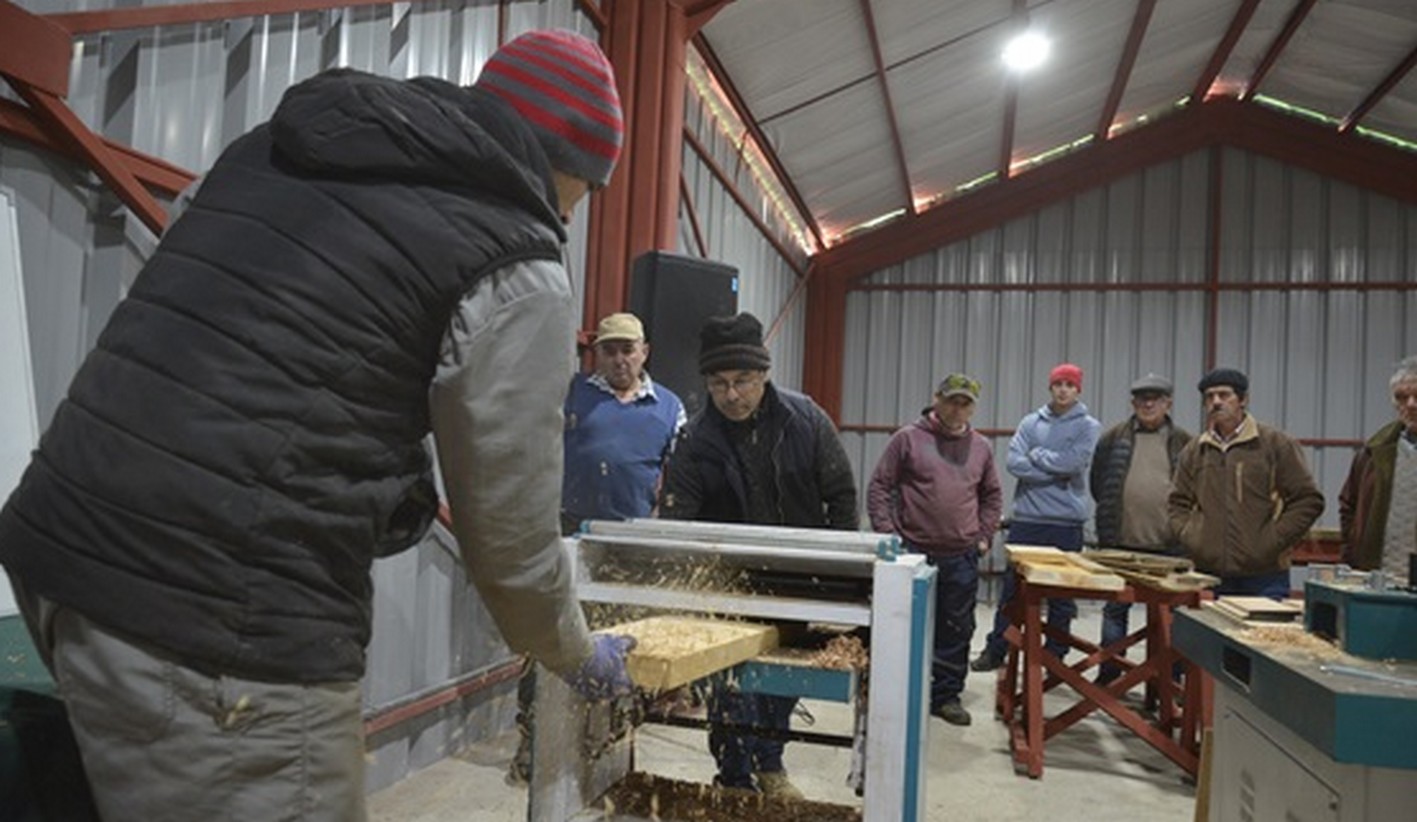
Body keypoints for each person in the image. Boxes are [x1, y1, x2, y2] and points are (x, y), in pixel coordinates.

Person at [0, 29, 637, 821]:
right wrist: (576, 651)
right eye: (587, 191)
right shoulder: (517, 251)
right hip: (219, 619)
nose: (574, 214)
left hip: (57, 545)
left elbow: (247, 338)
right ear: (568, 166)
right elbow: (509, 543)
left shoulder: (271, 149)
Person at [659, 312, 858, 798]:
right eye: (719, 383)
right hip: (726, 585)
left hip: (799, 581)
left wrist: (841, 580)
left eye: (742, 381)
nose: (731, 395)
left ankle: (771, 765)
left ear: (764, 374)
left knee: (781, 681)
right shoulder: (694, 439)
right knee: (729, 687)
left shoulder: (806, 420)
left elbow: (841, 495)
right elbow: (677, 520)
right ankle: (734, 780)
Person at [510, 310, 685, 783]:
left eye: (628, 349)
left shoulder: (669, 407)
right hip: (568, 537)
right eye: (609, 349)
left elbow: (681, 477)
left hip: (632, 543)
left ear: (644, 352)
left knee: (624, 640)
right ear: (597, 355)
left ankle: (610, 740)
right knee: (553, 637)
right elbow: (531, 448)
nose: (620, 358)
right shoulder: (570, 394)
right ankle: (532, 739)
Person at [868, 373, 1002, 726]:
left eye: (966, 403)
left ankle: (945, 695)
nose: (958, 409)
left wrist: (984, 535)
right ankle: (901, 693)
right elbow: (880, 487)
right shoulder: (908, 439)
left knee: (955, 628)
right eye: (952, 400)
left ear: (974, 407)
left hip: (960, 555)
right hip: (912, 553)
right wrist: (890, 537)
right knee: (902, 626)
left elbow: (992, 496)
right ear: (937, 399)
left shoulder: (982, 448)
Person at [973, 363, 1101, 672]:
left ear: (1078, 390)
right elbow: (1015, 463)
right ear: (1050, 387)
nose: (1063, 389)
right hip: (1028, 520)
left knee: (1061, 596)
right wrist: (1053, 470)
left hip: (1066, 524)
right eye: (1058, 384)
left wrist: (1038, 456)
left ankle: (1054, 655)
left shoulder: (1089, 426)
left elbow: (1074, 463)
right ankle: (996, 649)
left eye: (1070, 385)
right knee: (1012, 591)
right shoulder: (1031, 422)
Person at [1168, 367, 1325, 597]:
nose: (1216, 402)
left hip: (1265, 575)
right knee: (1209, 633)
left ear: (1243, 399)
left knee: (1262, 632)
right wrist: (1193, 538)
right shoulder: (1195, 450)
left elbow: (1308, 500)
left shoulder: (1274, 444)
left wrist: (1272, 541)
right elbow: (1177, 503)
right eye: (1209, 397)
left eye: (1224, 395)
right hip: (1210, 574)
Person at [1089, 374, 1192, 685]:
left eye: (1156, 398)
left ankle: (1167, 679)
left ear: (1168, 403)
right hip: (1120, 543)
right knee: (1115, 611)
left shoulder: (1185, 442)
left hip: (1168, 545)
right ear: (1133, 402)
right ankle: (1110, 674)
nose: (1148, 404)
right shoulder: (1112, 438)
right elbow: (1098, 484)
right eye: (1142, 398)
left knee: (1170, 616)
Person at [1339, 355, 1417, 576]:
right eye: (1402, 397)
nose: (1411, 404)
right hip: (1379, 577)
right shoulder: (1372, 452)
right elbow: (1348, 505)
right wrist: (1351, 555)